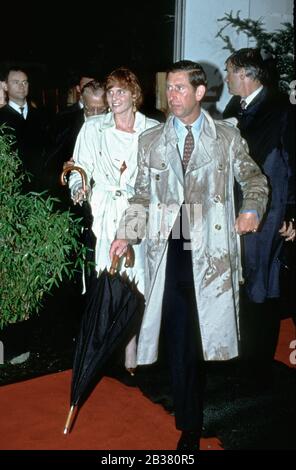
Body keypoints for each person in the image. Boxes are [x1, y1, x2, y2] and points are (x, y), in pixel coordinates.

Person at [110, 60, 269, 450]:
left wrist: (251, 208)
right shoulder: (152, 141)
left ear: (200, 93)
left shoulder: (227, 137)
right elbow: (142, 196)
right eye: (169, 89)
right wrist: (125, 235)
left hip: (212, 250)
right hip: (172, 251)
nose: (172, 96)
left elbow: (254, 178)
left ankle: (209, 400)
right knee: (180, 339)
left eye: (180, 88)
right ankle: (190, 425)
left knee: (203, 338)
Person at [68, 67, 159, 371]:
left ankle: (133, 351)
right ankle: (106, 349)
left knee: (139, 280)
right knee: (110, 279)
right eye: (111, 91)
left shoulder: (152, 130)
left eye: (122, 91)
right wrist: (78, 187)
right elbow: (79, 167)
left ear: (135, 94)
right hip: (107, 213)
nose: (115, 97)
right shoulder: (94, 128)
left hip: (140, 213)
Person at [223, 48, 295, 376]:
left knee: (264, 278)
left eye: (230, 72)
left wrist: (293, 214)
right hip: (238, 205)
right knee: (242, 276)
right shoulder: (233, 107)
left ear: (247, 75)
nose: (226, 79)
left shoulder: (281, 108)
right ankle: (243, 353)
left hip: (272, 208)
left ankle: (259, 361)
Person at [44, 79, 107, 206]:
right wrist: (62, 168)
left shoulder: (117, 124)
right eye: (89, 109)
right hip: (74, 201)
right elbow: (47, 162)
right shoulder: (63, 123)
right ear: (82, 101)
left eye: (101, 110)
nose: (95, 116)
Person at [0, 66, 50, 192]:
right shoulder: (1, 117)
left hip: (42, 187)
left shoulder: (44, 116)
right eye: (16, 82)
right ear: (5, 86)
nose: (22, 86)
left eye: (25, 82)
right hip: (12, 188)